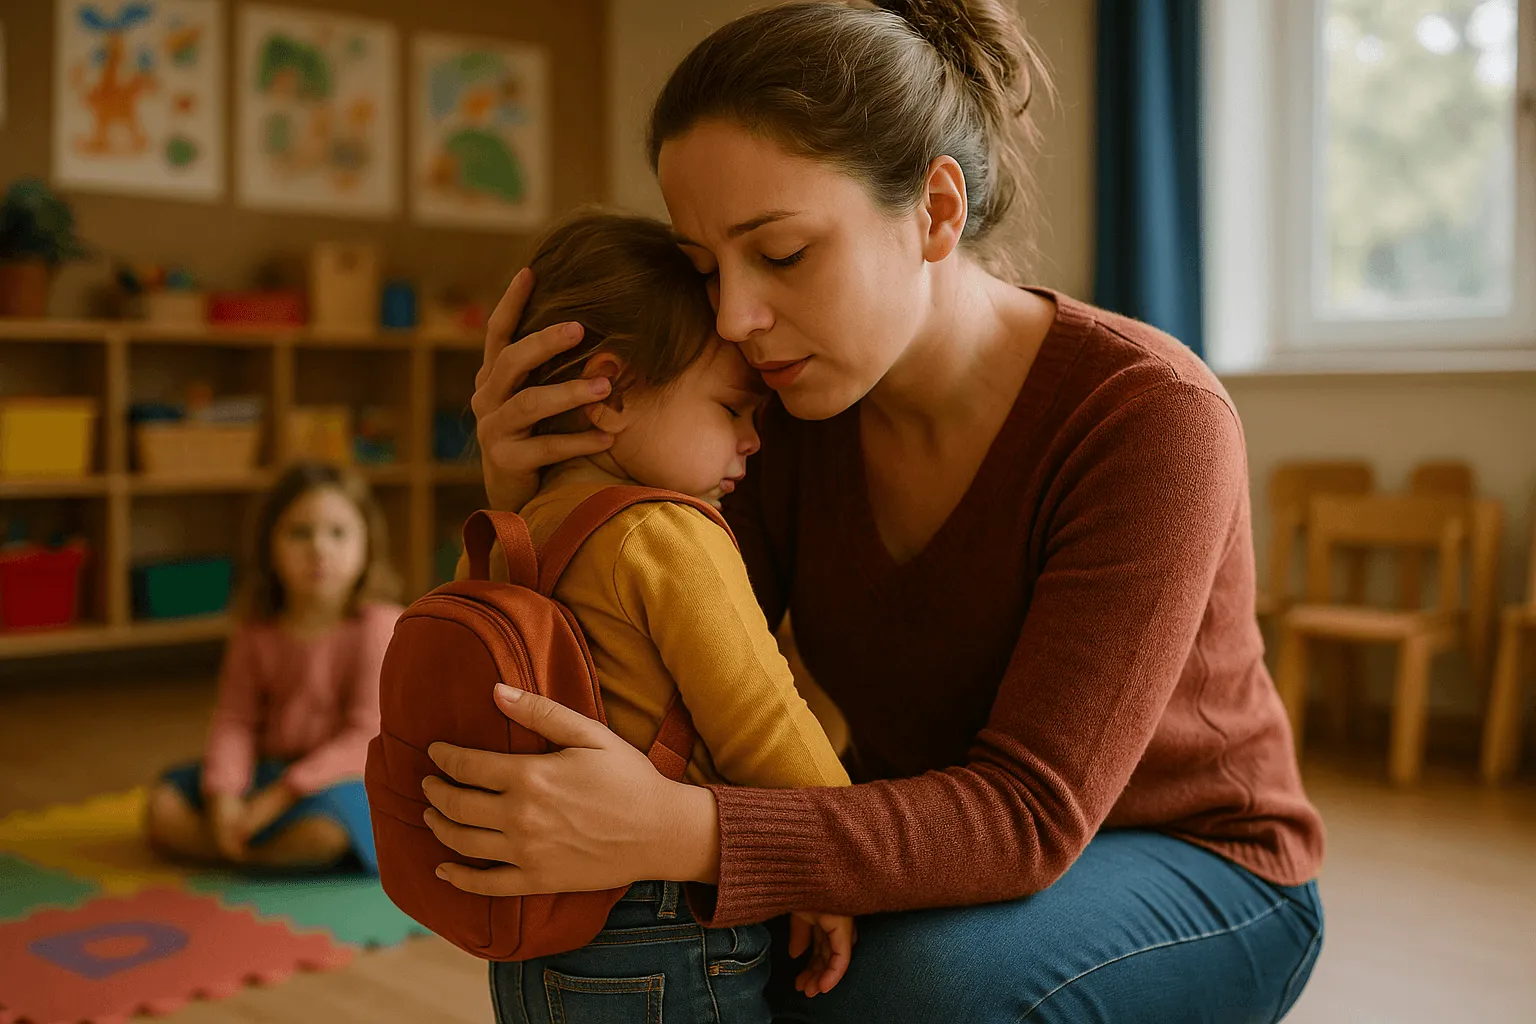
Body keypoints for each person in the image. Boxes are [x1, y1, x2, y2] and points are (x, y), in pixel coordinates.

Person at [422, 2, 1328, 1020]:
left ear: (937, 211)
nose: (734, 318)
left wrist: (687, 832)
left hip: (1197, 864)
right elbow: (658, 665)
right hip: (929, 835)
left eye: (784, 253)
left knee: (915, 993)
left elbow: (1028, 815)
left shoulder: (1151, 417)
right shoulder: (776, 412)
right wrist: (542, 500)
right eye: (708, 267)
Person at [433, 212, 855, 1020]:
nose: (751, 440)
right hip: (658, 922)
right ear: (611, 393)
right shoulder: (668, 530)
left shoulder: (514, 524)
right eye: (732, 409)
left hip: (532, 916)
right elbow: (762, 719)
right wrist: (831, 868)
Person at [145, 462, 403, 872]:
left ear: (366, 543)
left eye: (338, 533)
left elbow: (366, 738)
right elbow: (235, 721)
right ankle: (249, 850)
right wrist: (225, 798)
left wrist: (280, 797)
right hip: (268, 773)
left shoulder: (380, 627)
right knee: (164, 808)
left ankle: (240, 851)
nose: (319, 548)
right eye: (299, 532)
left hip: (344, 778)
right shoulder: (255, 630)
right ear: (270, 545)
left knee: (325, 832)